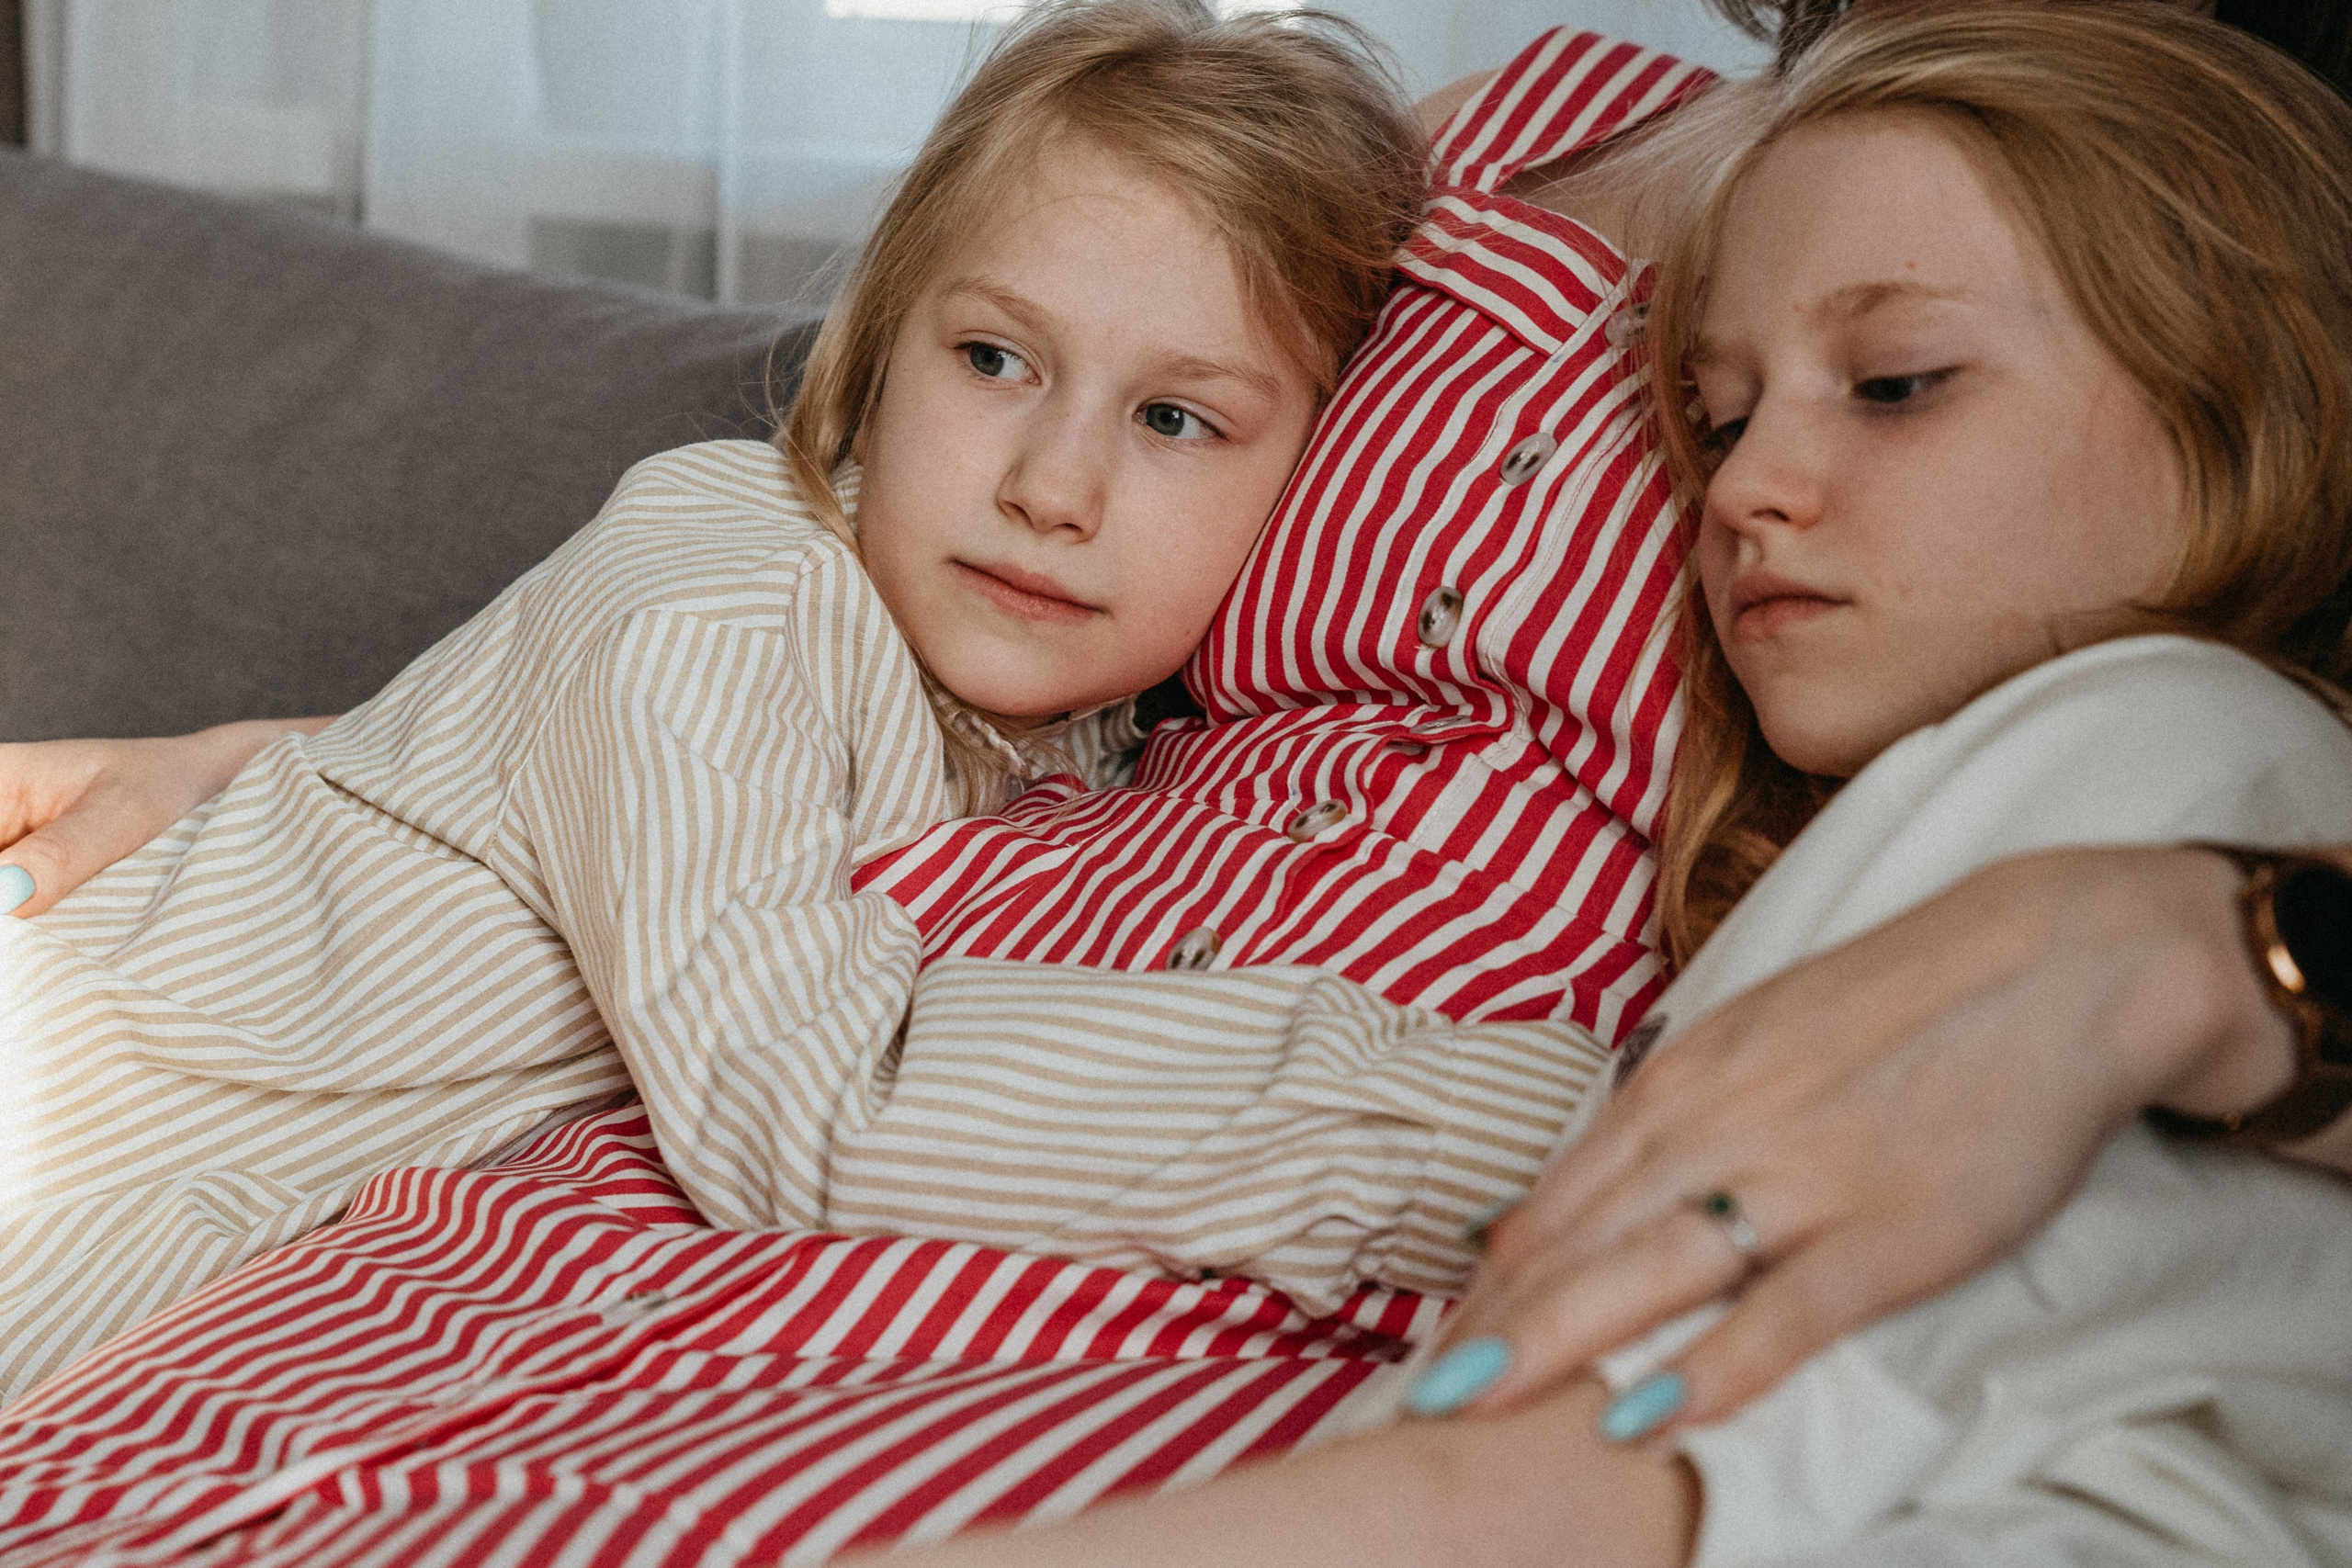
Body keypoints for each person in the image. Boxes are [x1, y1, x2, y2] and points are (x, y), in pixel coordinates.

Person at [879, 3, 2352, 1559]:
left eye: (1902, 382)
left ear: (2243, 403)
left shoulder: (2173, 737)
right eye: (1709, 422)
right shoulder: (1890, 825)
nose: (1742, 493)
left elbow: (1520, 1489)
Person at [0, 0, 1426, 1396]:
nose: (1050, 488)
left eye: (1174, 418)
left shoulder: (1101, 748)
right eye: (994, 359)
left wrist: (258, 749)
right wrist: (1488, 1127)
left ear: (1322, 480)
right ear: (875, 360)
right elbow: (803, 1118)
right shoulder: (720, 578)